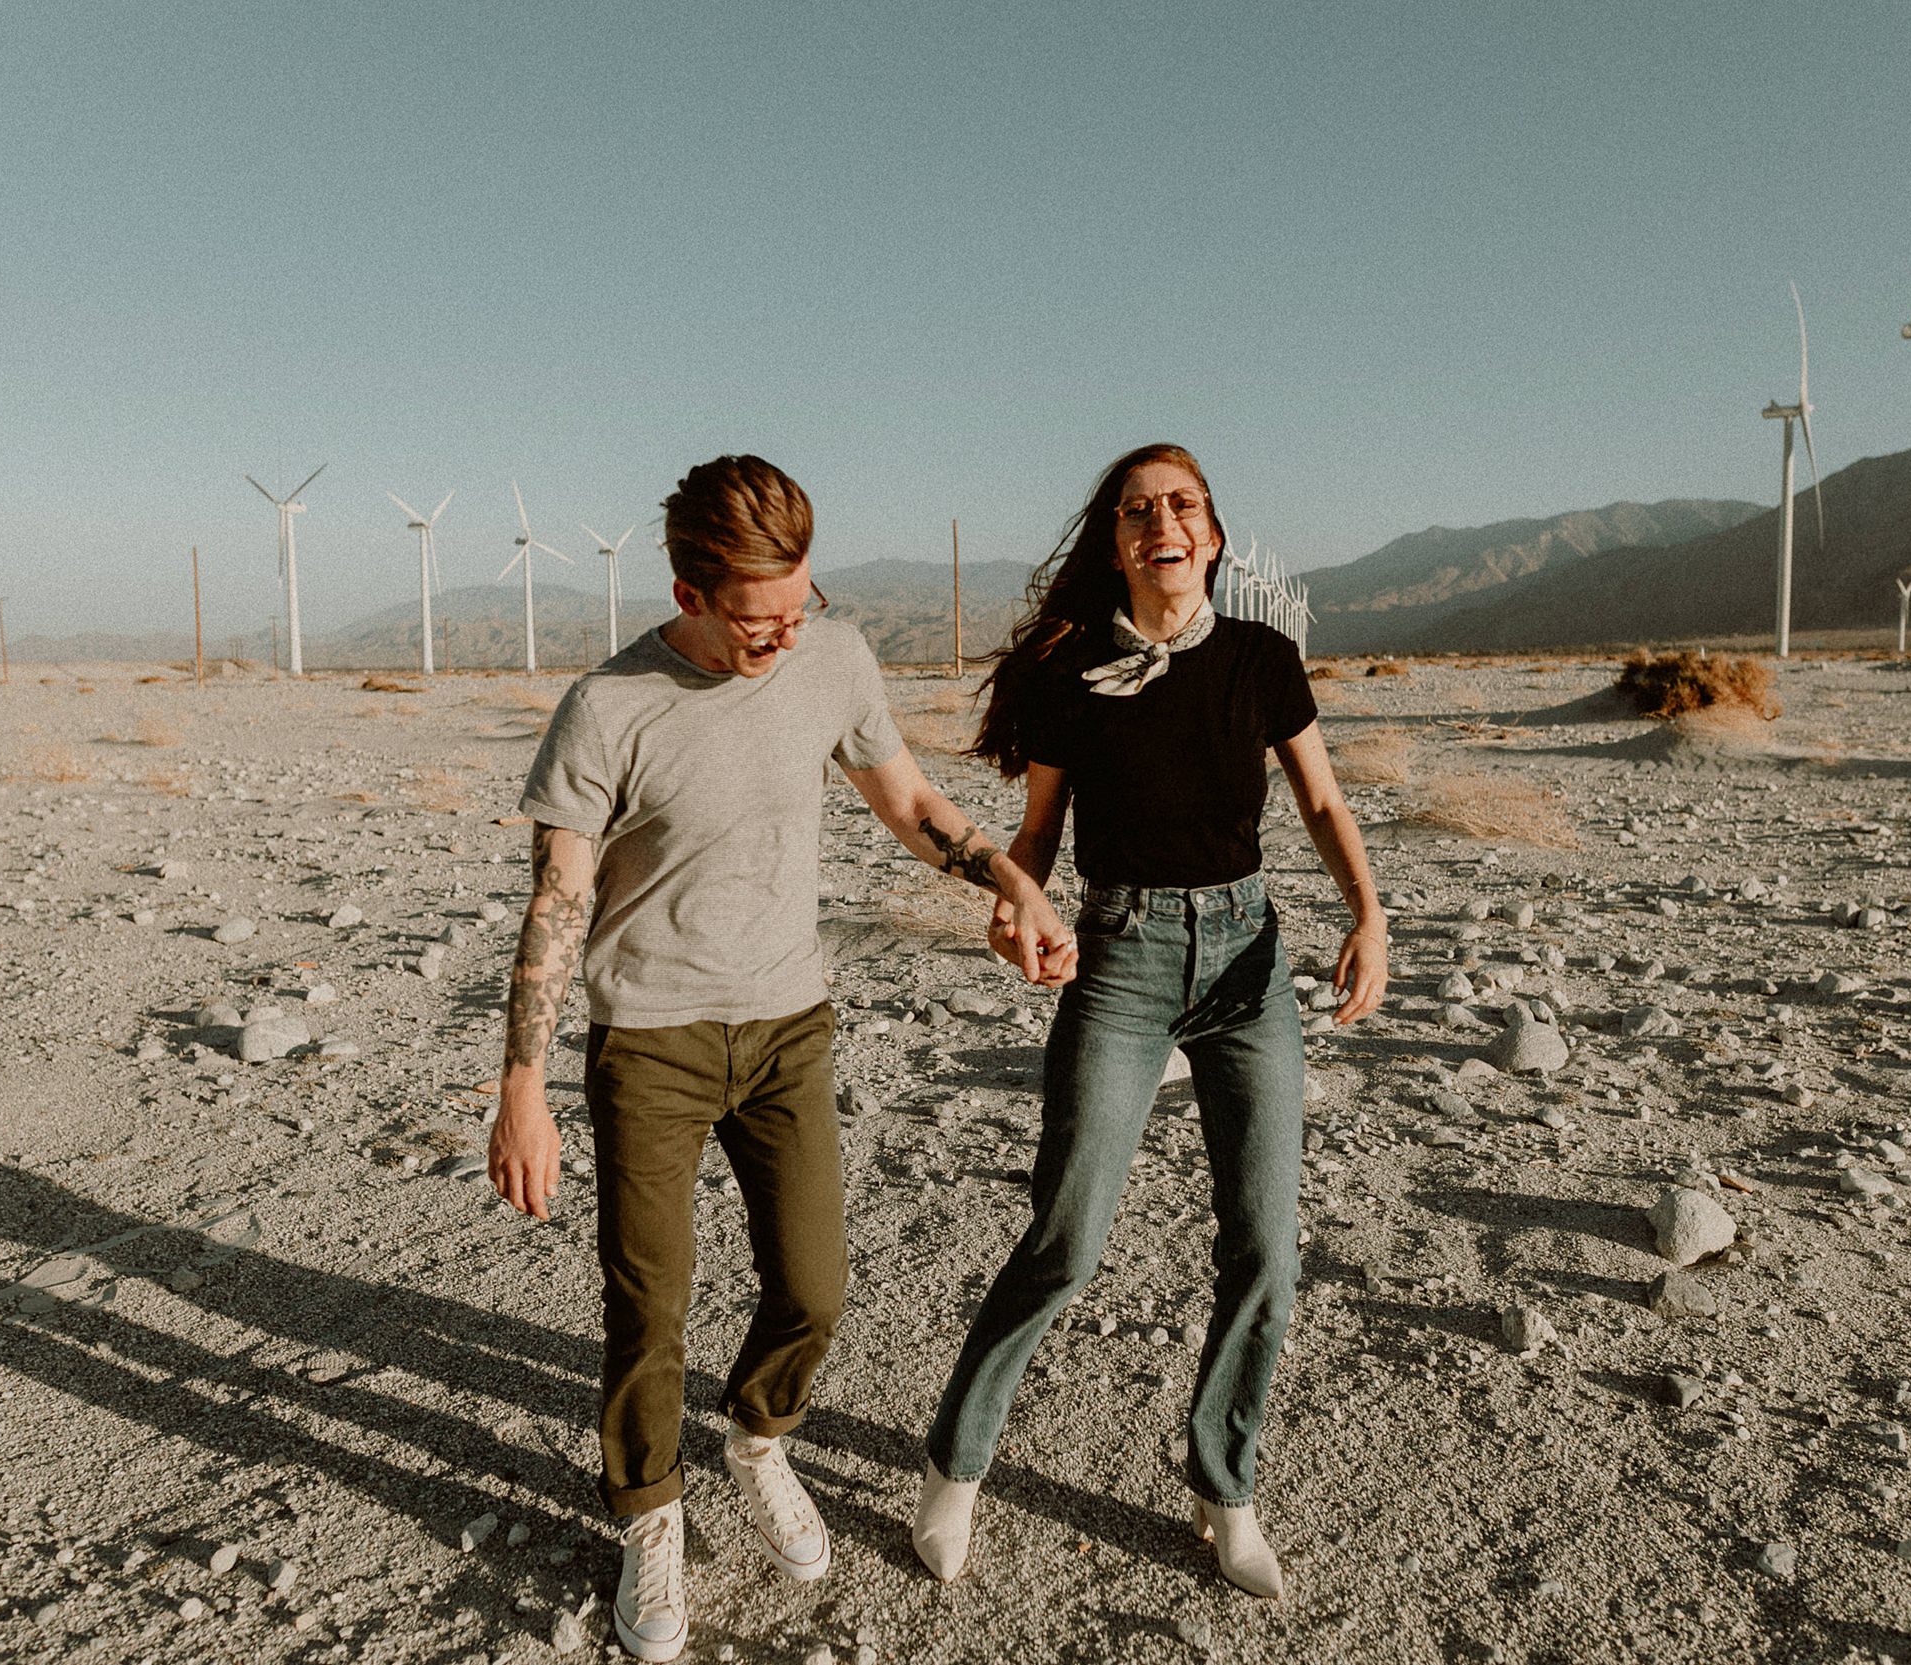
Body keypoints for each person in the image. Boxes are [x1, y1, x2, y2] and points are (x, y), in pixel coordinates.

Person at [490, 454, 1076, 1663]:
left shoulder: (830, 656)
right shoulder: (607, 708)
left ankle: (759, 1436)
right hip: (649, 1039)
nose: (782, 638)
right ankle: (648, 1514)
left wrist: (1006, 878)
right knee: (647, 1304)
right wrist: (520, 1090)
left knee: (815, 1284)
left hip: (788, 1026)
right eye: (758, 622)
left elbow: (908, 802)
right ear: (687, 589)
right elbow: (556, 902)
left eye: (798, 608)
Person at [911, 442, 1388, 1599]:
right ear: (1114, 542)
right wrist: (1010, 906)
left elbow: (1319, 797)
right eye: (1136, 510)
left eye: (1181, 505)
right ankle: (956, 1470)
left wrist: (1369, 916)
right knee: (1066, 1239)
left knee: (1265, 1247)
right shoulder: (1070, 672)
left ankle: (1224, 1491)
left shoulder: (1263, 658)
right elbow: (1037, 830)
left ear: (1213, 537)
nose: (1159, 522)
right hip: (1119, 958)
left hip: (1247, 962)